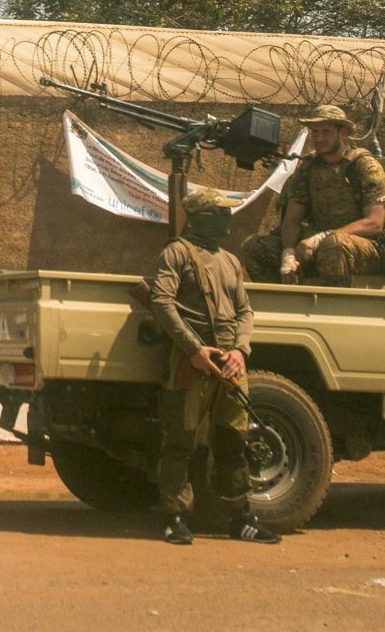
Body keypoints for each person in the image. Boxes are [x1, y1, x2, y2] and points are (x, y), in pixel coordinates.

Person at [149, 188, 281, 546]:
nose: (227, 221)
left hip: (230, 367)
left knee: (233, 441)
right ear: (202, 217)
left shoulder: (231, 261)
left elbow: (245, 311)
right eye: (221, 213)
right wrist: (194, 350)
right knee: (181, 442)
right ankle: (175, 517)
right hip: (192, 365)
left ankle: (241, 519)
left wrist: (241, 350)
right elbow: (161, 301)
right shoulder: (176, 253)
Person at [241, 105, 385, 286]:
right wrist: (288, 254)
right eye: (315, 132)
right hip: (318, 245)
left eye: (326, 132)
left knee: (333, 244)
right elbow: (292, 218)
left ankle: (332, 306)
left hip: (369, 249)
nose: (319, 138)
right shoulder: (309, 167)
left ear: (343, 133)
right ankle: (286, 303)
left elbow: (375, 223)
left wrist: (321, 238)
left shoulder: (364, 166)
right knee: (255, 247)